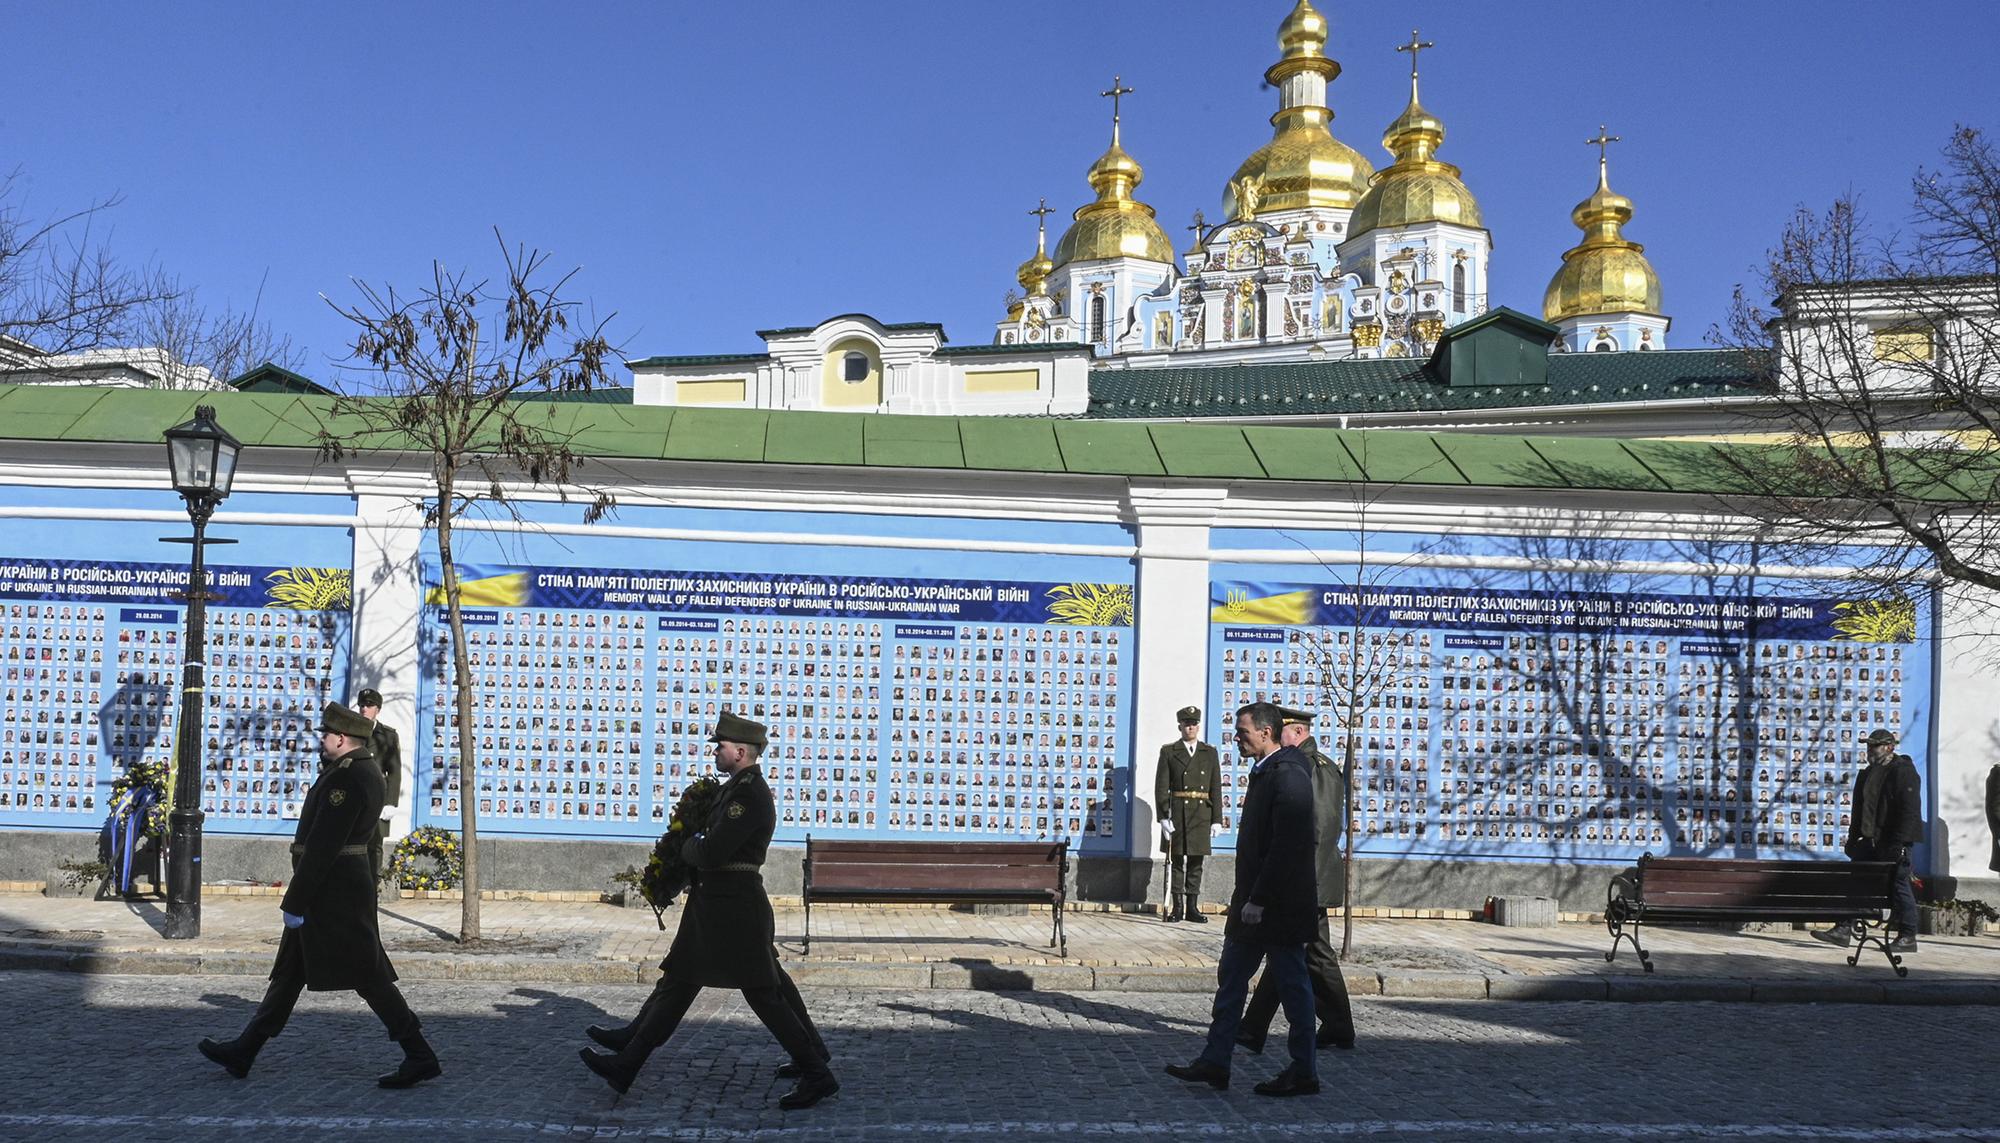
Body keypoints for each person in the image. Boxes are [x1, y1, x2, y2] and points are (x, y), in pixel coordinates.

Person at [579, 712, 838, 1110]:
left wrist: (687, 847)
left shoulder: (747, 795)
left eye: (720, 746)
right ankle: (628, 1056)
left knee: (763, 993)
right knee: (683, 980)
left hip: (733, 909)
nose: (715, 751)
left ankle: (817, 1074)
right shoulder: (735, 789)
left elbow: (713, 850)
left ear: (739, 751)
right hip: (718, 905)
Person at [196, 701, 440, 1088]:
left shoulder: (348, 777)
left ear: (342, 738)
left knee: (367, 973)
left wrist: (295, 900)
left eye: (326, 734)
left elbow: (325, 845)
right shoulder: (357, 769)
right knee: (291, 972)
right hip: (335, 886)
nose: (322, 740)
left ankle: (419, 1053)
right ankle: (246, 1049)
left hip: (335, 890)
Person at [1166, 702, 1320, 1098]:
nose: (1237, 738)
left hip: (1276, 906)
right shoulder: (1268, 770)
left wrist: (1260, 898)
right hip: (1252, 903)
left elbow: (1286, 846)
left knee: (1293, 987)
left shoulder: (1289, 775)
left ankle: (1304, 1070)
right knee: (1231, 979)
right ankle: (1216, 1061)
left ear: (1266, 733)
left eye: (1243, 731)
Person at [1237, 706, 1356, 1053]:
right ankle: (1335, 1026)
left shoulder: (1310, 768)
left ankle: (1257, 1028)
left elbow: (1314, 827)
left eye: (1281, 730)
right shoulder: (1307, 764)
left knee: (1297, 953)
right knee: (1307, 954)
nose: (1275, 736)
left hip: (1308, 880)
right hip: (1306, 879)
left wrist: (1303, 884)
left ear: (1297, 732)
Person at [1814, 728, 1924, 951]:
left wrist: (1901, 843)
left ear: (1890, 747)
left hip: (1892, 842)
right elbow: (1859, 810)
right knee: (1854, 882)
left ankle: (1908, 936)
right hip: (1868, 841)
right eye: (1868, 746)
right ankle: (1844, 929)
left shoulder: (1902, 772)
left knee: (1899, 886)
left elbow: (1909, 810)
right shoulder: (1867, 774)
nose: (1870, 750)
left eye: (1875, 746)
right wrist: (1853, 840)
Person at [1155, 704, 1221, 923]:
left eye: (1193, 724)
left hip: (1201, 813)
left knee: (1196, 863)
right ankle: (1178, 907)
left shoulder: (1209, 752)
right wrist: (1163, 817)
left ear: (1198, 726)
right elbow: (1161, 785)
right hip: (1178, 812)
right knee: (1176, 862)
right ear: (1179, 726)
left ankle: (1192, 907)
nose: (1190, 728)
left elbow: (1216, 787)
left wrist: (1217, 819)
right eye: (1186, 724)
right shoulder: (1169, 751)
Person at [356, 687, 401, 889]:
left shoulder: (388, 736)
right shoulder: (351, 731)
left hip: (377, 799)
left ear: (378, 709)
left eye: (369, 705)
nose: (365, 709)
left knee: (374, 846)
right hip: (354, 797)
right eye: (362, 705)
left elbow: (394, 771)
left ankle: (371, 889)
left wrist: (391, 802)